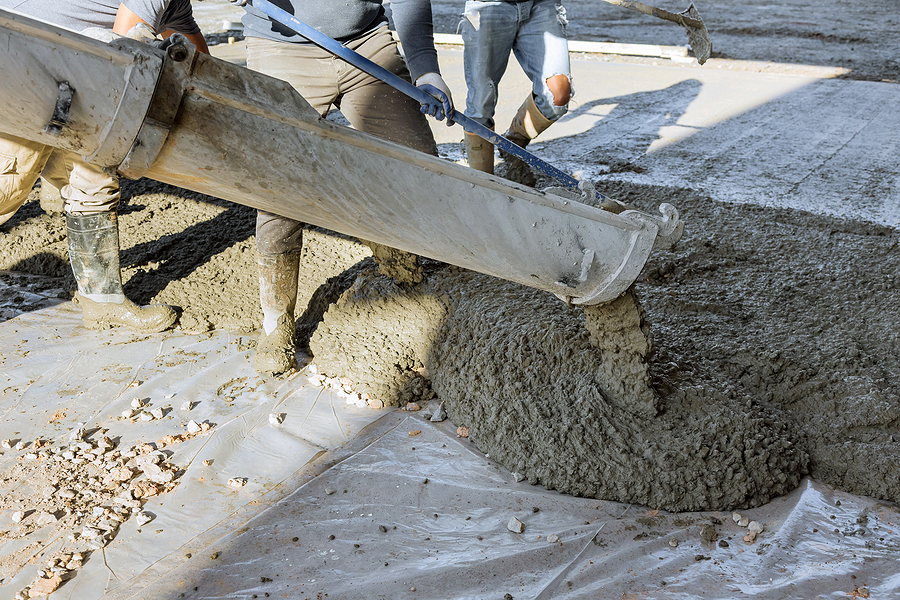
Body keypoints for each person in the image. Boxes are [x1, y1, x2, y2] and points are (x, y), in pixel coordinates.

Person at [230, 0, 455, 374]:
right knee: (280, 189)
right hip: (283, 46)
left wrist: (426, 69)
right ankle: (276, 324)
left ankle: (406, 268)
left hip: (366, 43)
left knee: (420, 168)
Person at [0, 1, 209, 332]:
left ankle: (102, 302)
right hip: (24, 55)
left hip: (76, 65)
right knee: (7, 182)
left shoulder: (176, 3)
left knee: (93, 178)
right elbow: (121, 50)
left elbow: (201, 61)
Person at [460, 0, 572, 185]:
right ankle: (482, 185)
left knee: (557, 95)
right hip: (488, 6)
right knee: (480, 103)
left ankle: (514, 142)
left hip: (541, 5)